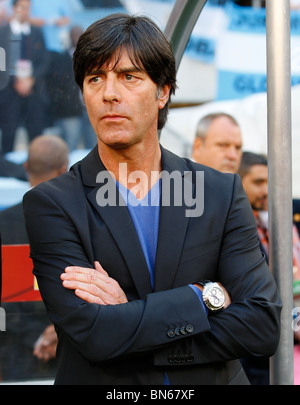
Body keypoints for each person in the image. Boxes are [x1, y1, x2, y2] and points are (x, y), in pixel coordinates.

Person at [23, 14, 281, 385]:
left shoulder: (219, 192)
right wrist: (203, 297)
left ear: (163, 92)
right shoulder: (52, 203)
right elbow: (94, 335)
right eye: (95, 78)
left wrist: (129, 316)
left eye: (129, 76)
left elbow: (261, 326)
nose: (109, 93)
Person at [0, 134, 68, 381]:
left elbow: (4, 303)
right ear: (64, 169)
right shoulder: (82, 222)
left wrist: (37, 336)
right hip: (75, 352)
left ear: (26, 167)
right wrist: (60, 333)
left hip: (16, 355)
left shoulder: (4, 224)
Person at [238, 151, 300, 384]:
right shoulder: (237, 226)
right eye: (258, 182)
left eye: (269, 182)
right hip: (257, 349)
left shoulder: (283, 220)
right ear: (238, 180)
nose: (266, 190)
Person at [0, 0, 49, 153]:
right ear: (13, 9)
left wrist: (31, 79)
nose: (25, 11)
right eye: (21, 7)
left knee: (36, 131)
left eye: (28, 8)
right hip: (8, 90)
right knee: (9, 132)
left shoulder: (36, 32)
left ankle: (38, 166)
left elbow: (44, 60)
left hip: (33, 89)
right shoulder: (2, 32)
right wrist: (14, 79)